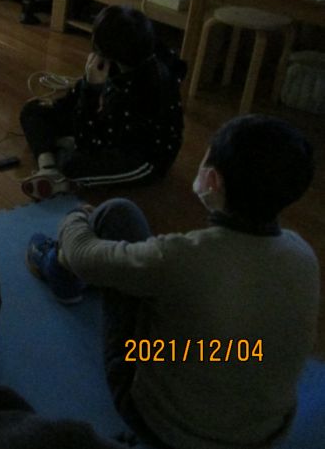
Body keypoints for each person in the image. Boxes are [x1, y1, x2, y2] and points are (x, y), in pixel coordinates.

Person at [27, 114, 319, 449]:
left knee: (117, 214)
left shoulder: (182, 258)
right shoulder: (303, 255)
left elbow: (83, 254)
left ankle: (56, 265)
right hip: (264, 436)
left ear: (213, 180)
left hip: (166, 428)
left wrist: (75, 216)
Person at [19, 5, 186, 200]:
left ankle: (61, 176)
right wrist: (70, 98)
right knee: (33, 110)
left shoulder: (146, 89)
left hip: (141, 157)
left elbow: (89, 144)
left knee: (73, 165)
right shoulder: (124, 60)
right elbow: (71, 104)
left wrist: (92, 89)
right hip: (106, 129)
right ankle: (48, 167)